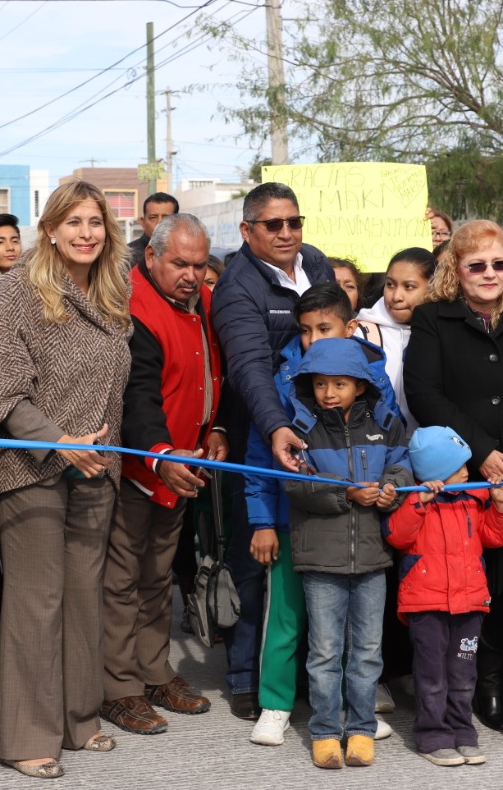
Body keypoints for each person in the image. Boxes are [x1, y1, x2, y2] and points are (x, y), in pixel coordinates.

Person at [0, 180, 132, 780]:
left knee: (82, 597)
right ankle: (25, 737)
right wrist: (61, 441)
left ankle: (78, 718)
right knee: (35, 603)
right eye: (73, 222)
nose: (86, 233)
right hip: (34, 466)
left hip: (97, 466)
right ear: (49, 229)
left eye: (95, 222)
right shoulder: (16, 291)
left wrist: (98, 451)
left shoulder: (113, 292)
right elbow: (4, 392)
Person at [404, 219, 503, 732]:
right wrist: (481, 450)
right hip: (459, 473)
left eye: (499, 263)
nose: (490, 273)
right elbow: (425, 394)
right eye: (477, 265)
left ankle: (493, 680)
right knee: (465, 581)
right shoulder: (432, 318)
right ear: (456, 269)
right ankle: (452, 684)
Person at [246, 283, 397, 748]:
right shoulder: (286, 378)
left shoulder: (373, 376)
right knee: (287, 616)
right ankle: (275, 704)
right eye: (305, 330)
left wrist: (391, 488)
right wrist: (263, 521)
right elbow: (261, 456)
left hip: (360, 527)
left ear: (350, 328)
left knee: (353, 631)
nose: (313, 339)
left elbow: (393, 444)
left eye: (324, 328)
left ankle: (353, 710)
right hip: (293, 517)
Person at [210, 182, 334, 721]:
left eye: (294, 221)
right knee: (255, 558)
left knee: (308, 561)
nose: (287, 233)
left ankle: (302, 673)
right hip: (259, 438)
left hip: (323, 439)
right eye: (273, 224)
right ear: (247, 230)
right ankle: (244, 674)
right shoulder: (236, 286)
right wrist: (277, 426)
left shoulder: (316, 263)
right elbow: (249, 369)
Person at [100, 213, 224, 735]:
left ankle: (153, 672)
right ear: (150, 256)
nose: (191, 275)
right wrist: (160, 454)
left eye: (199, 265)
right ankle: (116, 688)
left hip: (182, 467)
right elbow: (137, 397)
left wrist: (217, 427)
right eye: (180, 264)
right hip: (141, 468)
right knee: (121, 582)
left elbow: (211, 374)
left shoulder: (206, 302)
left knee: (156, 577)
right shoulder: (131, 306)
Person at [281, 338, 413, 769]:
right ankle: (324, 732)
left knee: (367, 652)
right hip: (321, 559)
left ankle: (361, 730)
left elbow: (402, 465)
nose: (328, 392)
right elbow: (295, 484)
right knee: (324, 653)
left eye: (340, 383)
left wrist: (392, 488)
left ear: (360, 386)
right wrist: (347, 494)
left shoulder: (385, 422)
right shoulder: (299, 428)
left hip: (373, 558)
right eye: (320, 383)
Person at [383, 425, 503, 767]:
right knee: (431, 674)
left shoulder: (474, 499)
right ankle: (432, 736)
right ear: (436, 471)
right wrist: (419, 502)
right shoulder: (415, 499)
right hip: (426, 604)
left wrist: (501, 504)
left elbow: (496, 537)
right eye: (458, 467)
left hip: (470, 602)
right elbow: (397, 536)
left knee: (463, 672)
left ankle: (463, 731)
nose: (467, 472)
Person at [356, 247, 434, 427]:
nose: (397, 296)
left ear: (432, 287)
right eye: (390, 284)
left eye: (409, 287)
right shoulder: (361, 333)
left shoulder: (443, 333)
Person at [128, 192, 178, 265]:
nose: (159, 223)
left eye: (166, 218)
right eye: (153, 218)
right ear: (142, 222)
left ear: (178, 222)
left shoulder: (188, 252)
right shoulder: (126, 256)